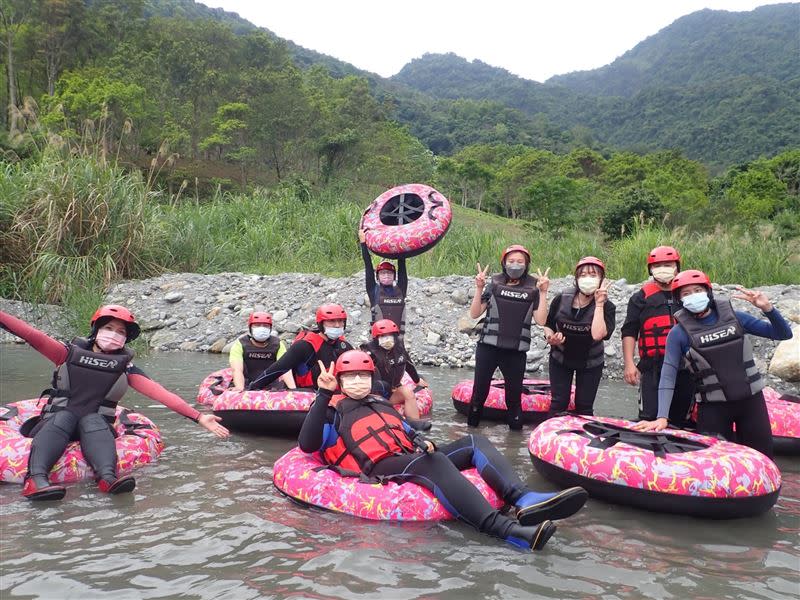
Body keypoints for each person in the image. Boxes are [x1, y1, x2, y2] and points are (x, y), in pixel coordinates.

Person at [299, 350, 589, 551]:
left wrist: (420, 442)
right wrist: (324, 394)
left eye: (363, 375)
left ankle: (524, 499)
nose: (358, 381)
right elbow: (308, 444)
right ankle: (507, 531)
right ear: (339, 380)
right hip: (380, 468)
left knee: (475, 441)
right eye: (350, 377)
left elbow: (405, 432)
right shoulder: (332, 411)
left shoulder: (381, 402)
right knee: (432, 462)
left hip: (407, 456)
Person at [0, 306, 230, 501]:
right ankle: (36, 479)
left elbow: (160, 393)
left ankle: (108, 479)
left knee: (92, 419)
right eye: (108, 328)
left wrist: (200, 417)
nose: (113, 335)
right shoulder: (66, 353)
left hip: (94, 430)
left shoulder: (125, 368)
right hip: (54, 424)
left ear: (126, 339)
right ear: (96, 330)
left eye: (120, 332)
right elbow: (29, 333)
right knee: (66, 415)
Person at [633, 270, 793, 458]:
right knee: (713, 463)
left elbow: (783, 334)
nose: (693, 296)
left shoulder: (736, 318)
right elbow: (668, 375)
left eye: (697, 290)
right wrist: (662, 417)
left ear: (708, 292)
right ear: (679, 300)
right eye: (686, 294)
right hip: (713, 409)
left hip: (751, 403)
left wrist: (768, 309)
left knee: (763, 457)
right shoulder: (678, 334)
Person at [466, 244, 550, 430]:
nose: (515, 265)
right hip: (488, 348)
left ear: (526, 264)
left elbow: (541, 320)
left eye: (520, 262)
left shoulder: (533, 287)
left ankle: (514, 446)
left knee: (513, 398)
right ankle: (470, 433)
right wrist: (479, 288)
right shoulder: (494, 283)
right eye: (511, 261)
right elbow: (474, 314)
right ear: (504, 263)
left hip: (515, 353)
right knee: (479, 393)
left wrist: (543, 293)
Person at [621, 246, 694, 425]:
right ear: (651, 270)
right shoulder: (640, 298)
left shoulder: (688, 294)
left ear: (677, 267)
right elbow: (630, 331)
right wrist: (629, 364)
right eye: (658, 265)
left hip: (686, 366)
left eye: (668, 264)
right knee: (649, 416)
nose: (663, 269)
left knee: (681, 419)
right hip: (652, 367)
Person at [544, 257, 616, 417]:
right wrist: (551, 338)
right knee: (558, 403)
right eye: (583, 275)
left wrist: (599, 304)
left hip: (591, 362)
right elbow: (548, 324)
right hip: (560, 358)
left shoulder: (608, 307)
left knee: (584, 406)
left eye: (593, 275)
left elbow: (598, 335)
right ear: (576, 279)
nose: (587, 279)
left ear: (601, 279)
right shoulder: (561, 299)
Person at [247, 304, 353, 391]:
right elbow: (276, 369)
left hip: (337, 395)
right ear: (321, 324)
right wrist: (252, 387)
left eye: (340, 321)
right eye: (332, 321)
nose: (337, 325)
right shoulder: (304, 346)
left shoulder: (345, 346)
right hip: (308, 395)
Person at [360, 319, 430, 429]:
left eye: (390, 335)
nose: (387, 339)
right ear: (376, 338)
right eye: (383, 336)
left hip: (393, 389)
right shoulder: (368, 353)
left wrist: (417, 380)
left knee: (408, 392)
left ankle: (415, 424)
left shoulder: (399, 350)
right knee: (394, 389)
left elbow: (409, 367)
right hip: (375, 393)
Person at [229, 312, 295, 391]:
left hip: (273, 386)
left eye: (265, 326)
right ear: (250, 328)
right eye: (257, 325)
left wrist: (293, 389)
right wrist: (240, 388)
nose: (262, 328)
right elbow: (237, 370)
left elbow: (285, 369)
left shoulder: (278, 345)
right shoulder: (240, 344)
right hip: (246, 383)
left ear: (270, 329)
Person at [359, 229, 408, 336]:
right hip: (378, 340)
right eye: (383, 273)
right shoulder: (373, 290)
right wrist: (363, 243)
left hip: (397, 340)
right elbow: (368, 264)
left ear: (395, 276)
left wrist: (401, 237)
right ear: (377, 276)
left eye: (390, 273)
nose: (386, 275)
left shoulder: (401, 289)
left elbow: (402, 262)